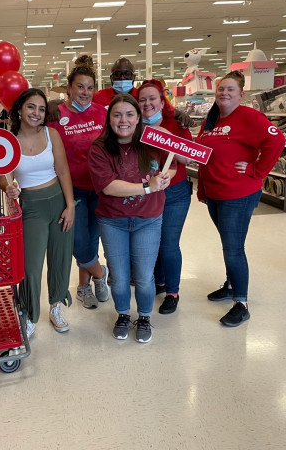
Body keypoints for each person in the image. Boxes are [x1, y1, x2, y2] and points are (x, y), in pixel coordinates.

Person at [196, 70, 285, 327]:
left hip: (237, 194)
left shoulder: (248, 116)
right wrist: (202, 189)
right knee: (228, 243)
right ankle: (231, 284)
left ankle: (241, 303)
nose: (224, 93)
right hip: (214, 192)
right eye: (221, 89)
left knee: (233, 248)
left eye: (230, 89)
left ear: (241, 94)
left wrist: (256, 170)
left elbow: (276, 140)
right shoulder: (212, 119)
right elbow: (204, 155)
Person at [88, 93, 175, 343]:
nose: (123, 120)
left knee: (145, 276)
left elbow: (175, 163)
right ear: (109, 118)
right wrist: (148, 187)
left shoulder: (153, 140)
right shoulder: (100, 148)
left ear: (138, 118)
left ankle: (145, 317)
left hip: (148, 219)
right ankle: (123, 314)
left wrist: (166, 175)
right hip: (112, 220)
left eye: (129, 114)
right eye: (117, 114)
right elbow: (109, 187)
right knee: (119, 276)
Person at [0, 88, 75, 337]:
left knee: (60, 257)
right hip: (30, 205)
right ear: (20, 109)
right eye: (31, 107)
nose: (36, 113)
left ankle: (56, 306)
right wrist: (8, 188)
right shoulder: (7, 140)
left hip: (58, 200)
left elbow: (63, 171)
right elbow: (4, 176)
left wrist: (70, 205)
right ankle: (31, 313)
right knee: (30, 265)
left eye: (42, 109)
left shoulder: (51, 134)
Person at [47, 55, 110, 310]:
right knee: (78, 241)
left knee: (91, 239)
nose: (85, 92)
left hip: (100, 188)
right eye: (80, 87)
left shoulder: (103, 113)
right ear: (70, 88)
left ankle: (84, 288)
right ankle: (100, 273)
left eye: (90, 87)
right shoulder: (55, 114)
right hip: (71, 190)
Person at [137, 79, 193, 315]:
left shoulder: (177, 125)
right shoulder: (133, 124)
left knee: (169, 243)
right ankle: (159, 281)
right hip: (146, 192)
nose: (147, 103)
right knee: (151, 241)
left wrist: (165, 135)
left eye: (152, 98)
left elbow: (187, 159)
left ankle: (172, 291)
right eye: (142, 99)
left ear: (162, 101)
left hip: (175, 193)